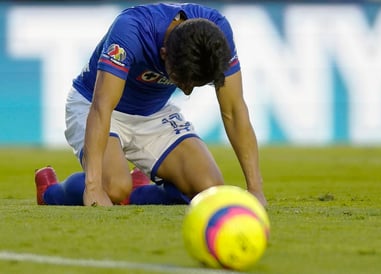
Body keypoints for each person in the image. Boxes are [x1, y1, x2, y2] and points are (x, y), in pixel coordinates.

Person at [35, 2, 267, 207]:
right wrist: (94, 187)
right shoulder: (132, 29)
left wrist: (255, 189)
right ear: (164, 53)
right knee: (114, 186)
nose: (186, 91)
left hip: (154, 112)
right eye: (181, 81)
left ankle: (138, 192)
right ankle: (51, 192)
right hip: (95, 105)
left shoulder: (215, 35)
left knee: (208, 188)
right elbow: (102, 106)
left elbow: (234, 111)